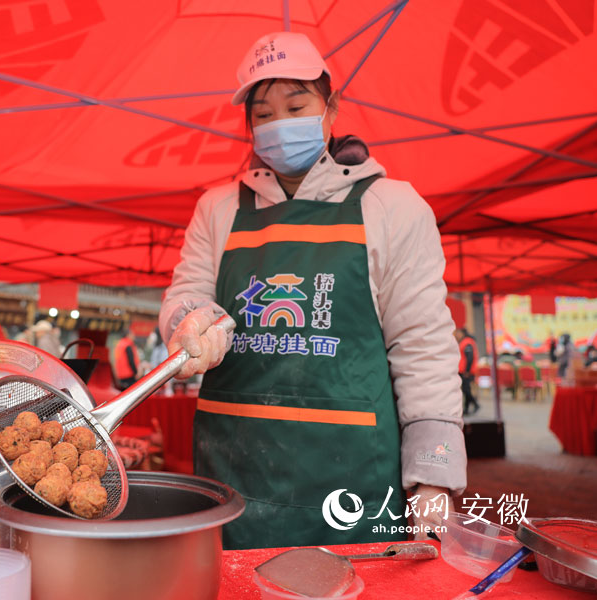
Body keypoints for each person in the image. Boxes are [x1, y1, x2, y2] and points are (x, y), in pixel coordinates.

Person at [159, 32, 465, 549]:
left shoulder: (393, 206)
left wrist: (433, 478)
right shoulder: (217, 209)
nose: (279, 124)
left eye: (296, 105)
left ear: (331, 107)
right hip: (235, 476)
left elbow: (423, 346)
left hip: (354, 481)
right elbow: (184, 295)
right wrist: (187, 320)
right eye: (263, 114)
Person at [455, 328, 479, 415]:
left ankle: (475, 404)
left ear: (462, 333)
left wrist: (467, 371)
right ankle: (467, 408)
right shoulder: (464, 342)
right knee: (466, 389)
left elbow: (470, 357)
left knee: (466, 389)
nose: (456, 335)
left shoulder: (467, 342)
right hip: (463, 370)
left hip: (467, 371)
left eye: (458, 333)